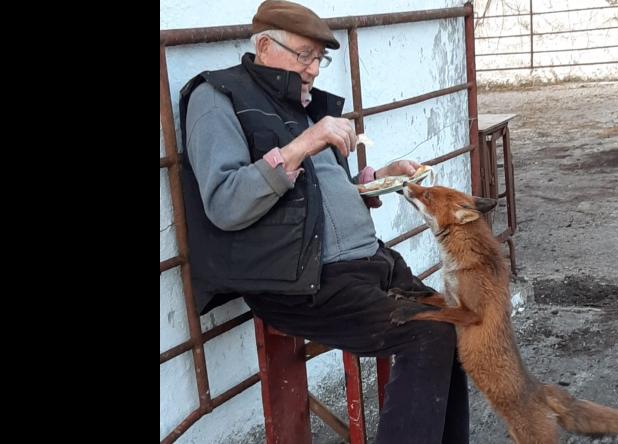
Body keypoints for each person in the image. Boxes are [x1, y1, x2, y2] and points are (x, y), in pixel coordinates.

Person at [178, 1, 469, 442]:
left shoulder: (300, 102)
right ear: (263, 45)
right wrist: (304, 142)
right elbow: (225, 202)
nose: (314, 69)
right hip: (301, 281)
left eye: (320, 58)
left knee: (455, 322)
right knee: (426, 337)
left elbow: (324, 195)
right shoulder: (216, 98)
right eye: (304, 55)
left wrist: (380, 177)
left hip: (367, 265)